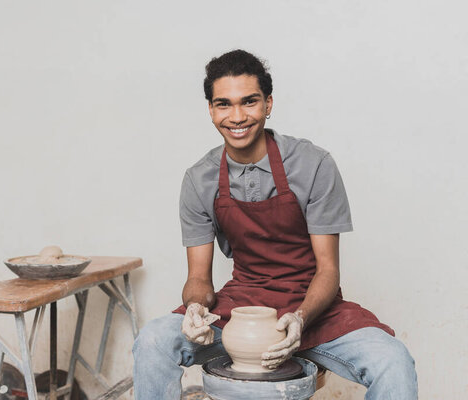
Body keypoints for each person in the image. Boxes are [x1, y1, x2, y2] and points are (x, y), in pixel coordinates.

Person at [132, 49, 418, 400]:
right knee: (153, 339)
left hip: (313, 306)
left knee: (394, 360)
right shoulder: (199, 179)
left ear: (268, 104)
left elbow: (328, 271)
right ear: (210, 110)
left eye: (249, 102)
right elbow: (198, 280)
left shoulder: (313, 165)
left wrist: (299, 319)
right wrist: (195, 308)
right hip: (242, 306)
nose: (237, 116)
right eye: (224, 104)